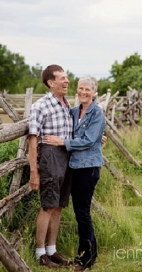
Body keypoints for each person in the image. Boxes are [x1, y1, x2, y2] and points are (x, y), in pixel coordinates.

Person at [44, 75, 106, 270]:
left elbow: (87, 140)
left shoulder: (97, 113)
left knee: (82, 212)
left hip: (88, 168)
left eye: (88, 89)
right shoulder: (73, 111)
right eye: (81, 88)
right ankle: (90, 254)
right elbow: (66, 129)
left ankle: (86, 259)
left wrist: (63, 142)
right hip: (74, 167)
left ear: (94, 92)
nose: (83, 92)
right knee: (81, 212)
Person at [28, 64, 74, 268]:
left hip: (67, 156)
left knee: (59, 206)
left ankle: (52, 250)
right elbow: (33, 139)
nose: (67, 81)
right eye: (62, 78)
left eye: (66, 77)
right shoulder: (41, 106)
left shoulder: (66, 103)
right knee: (47, 206)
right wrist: (34, 171)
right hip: (49, 156)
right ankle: (40, 253)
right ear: (50, 82)